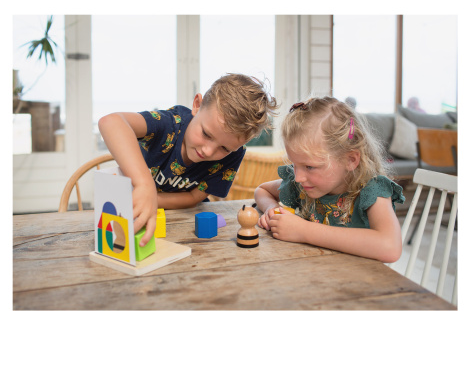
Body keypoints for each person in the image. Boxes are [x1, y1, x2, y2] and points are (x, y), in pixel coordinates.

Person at [99, 73, 278, 246]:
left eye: (224, 148)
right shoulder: (169, 123)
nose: (208, 151)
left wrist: (152, 198)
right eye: (206, 134)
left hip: (186, 221)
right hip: (133, 213)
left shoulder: (234, 154)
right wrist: (144, 185)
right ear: (197, 105)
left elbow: (193, 197)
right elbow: (111, 122)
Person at [254, 96, 405, 263]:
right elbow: (262, 190)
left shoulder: (372, 190)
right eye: (294, 165)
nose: (298, 177)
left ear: (350, 160)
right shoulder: (303, 184)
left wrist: (304, 231)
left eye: (309, 167)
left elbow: (390, 248)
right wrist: (272, 210)